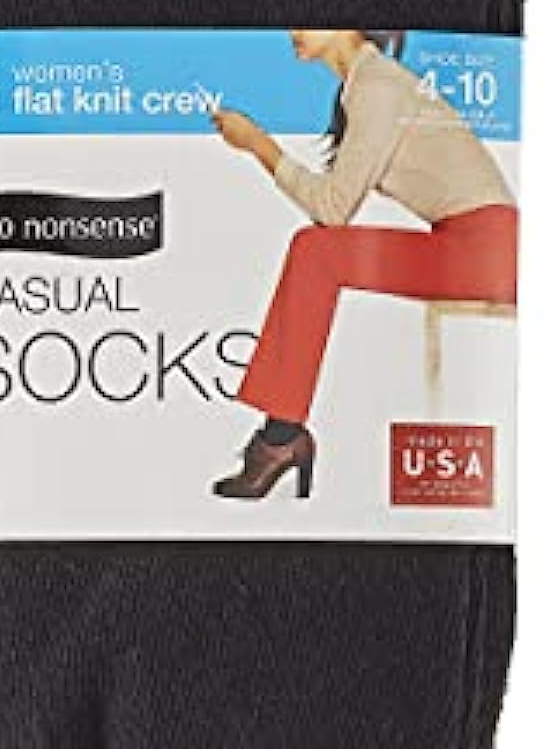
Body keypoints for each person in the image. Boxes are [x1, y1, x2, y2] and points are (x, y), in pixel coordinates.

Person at [211, 29, 517, 500]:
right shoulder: (366, 85)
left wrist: (258, 145)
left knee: (317, 250)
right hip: (474, 246)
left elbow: (332, 209)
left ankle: (281, 437)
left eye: (305, 18)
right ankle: (280, 435)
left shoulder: (378, 86)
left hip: (488, 252)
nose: (292, 30)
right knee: (317, 250)